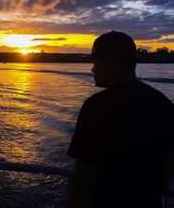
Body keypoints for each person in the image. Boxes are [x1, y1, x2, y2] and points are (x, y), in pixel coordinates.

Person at [67, 31, 174, 208]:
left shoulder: (96, 107)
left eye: (95, 62)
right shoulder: (164, 104)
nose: (92, 69)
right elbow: (169, 160)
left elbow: (85, 173)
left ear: (111, 62)